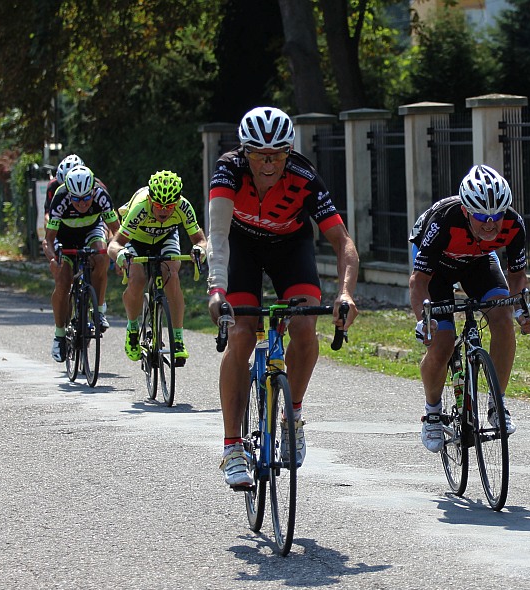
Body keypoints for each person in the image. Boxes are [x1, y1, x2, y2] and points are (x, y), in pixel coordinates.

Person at [207, 106, 359, 490]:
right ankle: (232, 447)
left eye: (278, 154)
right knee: (242, 331)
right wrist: (216, 290)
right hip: (241, 246)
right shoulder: (228, 170)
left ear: (289, 152)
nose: (270, 163)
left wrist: (345, 293)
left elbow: (343, 242)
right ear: (245, 152)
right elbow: (219, 237)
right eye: (260, 154)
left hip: (290, 248)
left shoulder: (305, 177)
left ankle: (292, 415)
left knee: (306, 324)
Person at [409, 164, 530, 454]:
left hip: (478, 263)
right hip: (436, 271)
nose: (491, 224)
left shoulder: (513, 225)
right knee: (441, 344)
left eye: (497, 215)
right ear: (467, 211)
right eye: (482, 216)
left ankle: (497, 403)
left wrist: (522, 309)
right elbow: (419, 282)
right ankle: (432, 412)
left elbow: (516, 276)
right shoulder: (444, 222)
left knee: (503, 318)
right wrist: (423, 319)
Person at [107, 170, 209, 366]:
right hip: (136, 240)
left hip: (166, 238)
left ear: (177, 202)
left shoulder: (184, 207)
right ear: (150, 200)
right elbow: (114, 243)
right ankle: (133, 327)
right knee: (137, 279)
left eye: (169, 206)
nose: (163, 211)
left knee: (171, 274)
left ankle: (177, 339)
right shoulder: (139, 208)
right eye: (158, 205)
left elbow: (200, 240)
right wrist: (121, 254)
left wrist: (199, 250)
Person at [43, 165, 120, 362]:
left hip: (91, 232)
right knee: (63, 280)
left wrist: (116, 251)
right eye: (76, 199)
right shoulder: (60, 198)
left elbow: (117, 231)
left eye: (86, 198)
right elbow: (49, 239)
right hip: (65, 237)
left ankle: (99, 310)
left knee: (101, 257)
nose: (82, 203)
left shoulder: (101, 196)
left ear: (92, 192)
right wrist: (53, 259)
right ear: (69, 194)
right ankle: (60, 335)